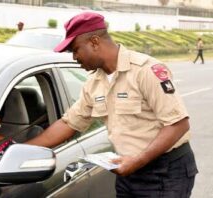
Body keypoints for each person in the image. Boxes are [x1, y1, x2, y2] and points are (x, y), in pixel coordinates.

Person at [25, 12, 198, 197]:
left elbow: (178, 124)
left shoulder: (145, 70)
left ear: (94, 42)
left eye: (76, 49)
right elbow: (68, 124)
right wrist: (23, 150)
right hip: (128, 171)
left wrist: (137, 162)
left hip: (165, 172)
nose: (75, 57)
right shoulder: (94, 83)